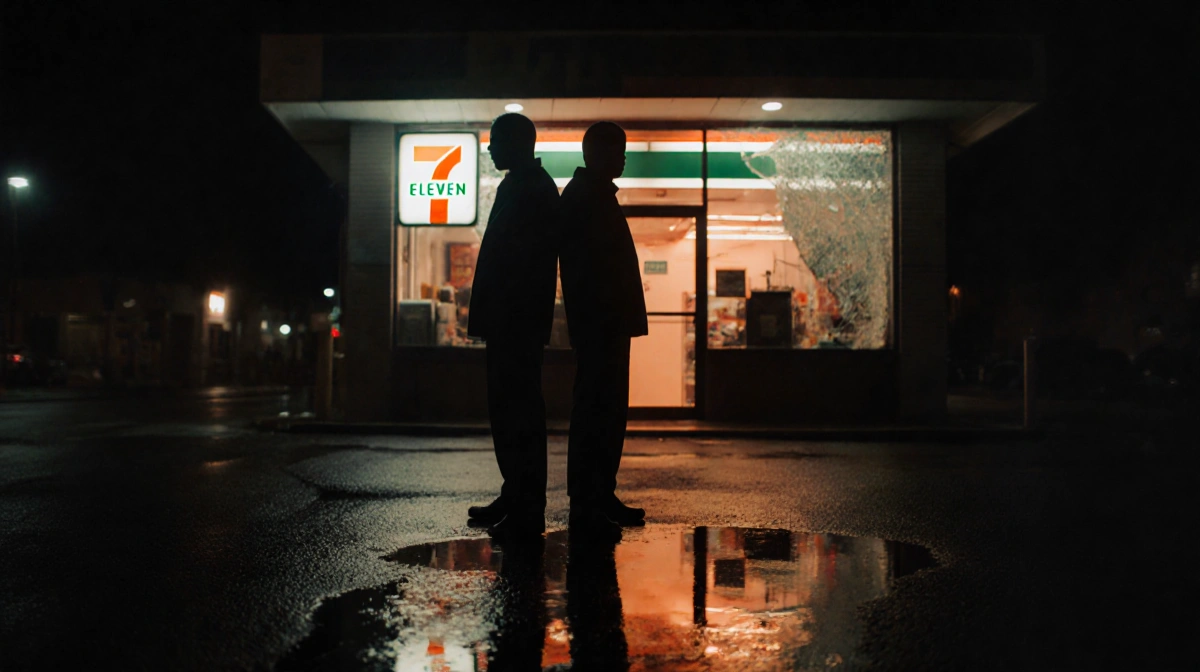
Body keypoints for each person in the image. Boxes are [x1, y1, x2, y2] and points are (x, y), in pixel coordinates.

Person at [466, 113, 560, 539]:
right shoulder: (519, 186)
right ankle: (514, 495)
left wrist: (502, 312)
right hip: (509, 320)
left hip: (516, 322)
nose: (489, 149)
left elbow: (524, 265)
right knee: (507, 411)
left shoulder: (534, 190)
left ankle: (526, 505)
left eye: (495, 141)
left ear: (517, 143)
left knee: (519, 411)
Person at [558, 121, 649, 539]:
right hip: (601, 324)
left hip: (605, 322)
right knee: (599, 411)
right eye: (619, 149)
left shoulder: (592, 196)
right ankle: (590, 500)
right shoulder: (587, 198)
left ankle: (600, 495)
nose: (625, 157)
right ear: (597, 153)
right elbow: (593, 272)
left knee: (606, 412)